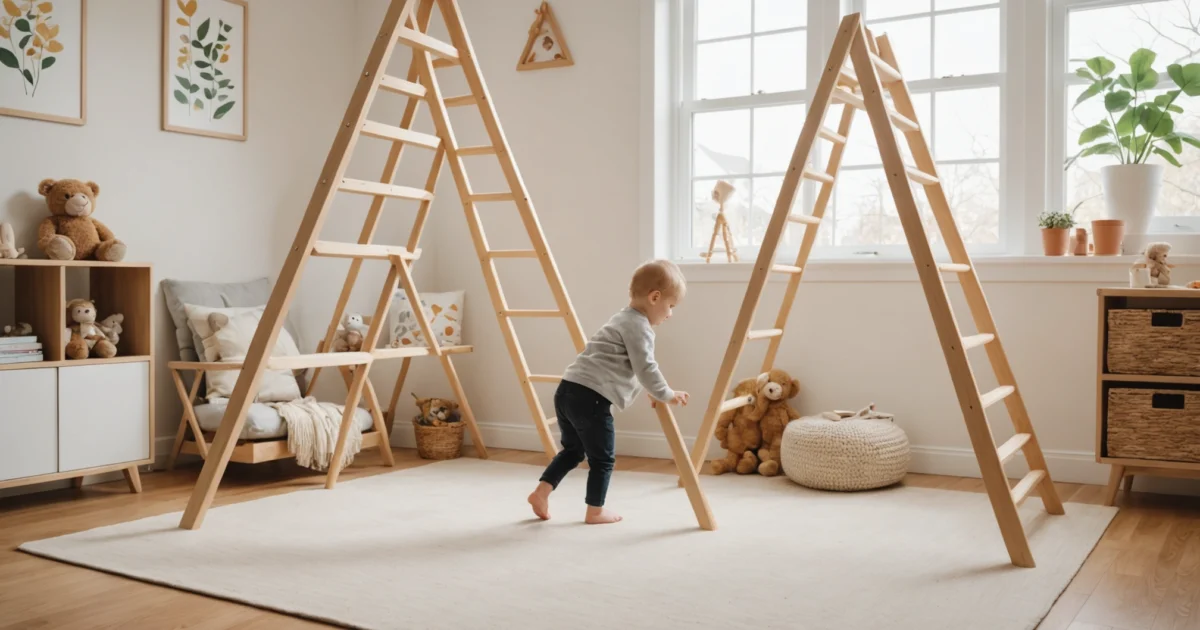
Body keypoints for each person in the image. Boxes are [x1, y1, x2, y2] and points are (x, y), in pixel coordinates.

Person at [527, 259, 690, 525]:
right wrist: (666, 393)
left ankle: (541, 493)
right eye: (670, 306)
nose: (670, 314)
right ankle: (595, 511)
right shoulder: (640, 328)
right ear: (655, 297)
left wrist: (651, 390)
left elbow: (623, 367)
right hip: (591, 399)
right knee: (603, 458)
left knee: (572, 451)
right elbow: (645, 367)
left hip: (568, 390)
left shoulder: (621, 318)